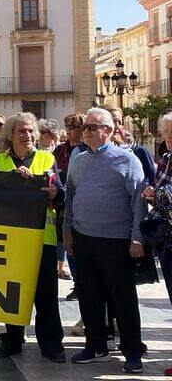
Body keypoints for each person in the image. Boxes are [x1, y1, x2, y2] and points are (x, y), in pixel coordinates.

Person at [64, 107, 146, 373]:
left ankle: (133, 351)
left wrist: (137, 237)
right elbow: (71, 197)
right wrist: (67, 230)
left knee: (123, 299)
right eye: (84, 127)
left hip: (115, 240)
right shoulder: (77, 159)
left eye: (90, 127)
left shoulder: (127, 159)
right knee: (89, 296)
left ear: (108, 131)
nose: (84, 131)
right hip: (83, 237)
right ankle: (95, 345)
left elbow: (138, 202)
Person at [0, 112, 65, 362]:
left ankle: (52, 346)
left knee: (46, 296)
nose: (28, 135)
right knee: (12, 294)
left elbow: (61, 193)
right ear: (10, 135)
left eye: (31, 130)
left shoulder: (47, 158)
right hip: (9, 240)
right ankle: (12, 340)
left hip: (43, 238)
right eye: (22, 131)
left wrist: (55, 191)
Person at [141, 112, 172, 376]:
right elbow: (162, 194)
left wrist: (158, 193)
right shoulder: (165, 159)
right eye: (167, 132)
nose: (170, 136)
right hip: (167, 239)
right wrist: (151, 194)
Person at [53, 113, 86, 295]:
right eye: (67, 126)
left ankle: (82, 283)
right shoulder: (59, 150)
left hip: (79, 205)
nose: (69, 130)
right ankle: (77, 283)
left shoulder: (85, 150)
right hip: (62, 205)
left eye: (73, 127)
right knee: (67, 245)